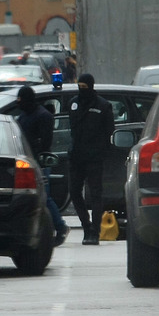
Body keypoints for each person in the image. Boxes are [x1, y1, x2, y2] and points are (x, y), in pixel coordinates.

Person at [16, 86, 69, 246]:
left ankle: (60, 226)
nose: (19, 102)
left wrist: (39, 157)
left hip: (39, 162)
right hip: (27, 161)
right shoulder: (24, 116)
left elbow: (45, 142)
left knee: (44, 197)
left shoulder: (42, 116)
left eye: (21, 99)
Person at [68, 73, 114, 245]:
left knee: (95, 194)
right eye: (79, 86)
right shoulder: (73, 103)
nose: (82, 90)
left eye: (85, 86)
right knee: (74, 192)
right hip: (76, 157)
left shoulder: (103, 106)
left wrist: (100, 151)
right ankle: (86, 226)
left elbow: (109, 131)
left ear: (91, 86)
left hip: (94, 158)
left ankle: (95, 231)